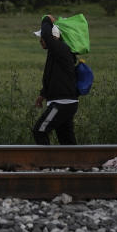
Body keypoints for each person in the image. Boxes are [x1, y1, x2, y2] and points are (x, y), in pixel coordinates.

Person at [32, 15, 78, 145]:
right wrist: (43, 94)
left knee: (39, 131)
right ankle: (72, 164)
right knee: (66, 139)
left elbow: (47, 34)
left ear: (54, 37)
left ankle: (47, 163)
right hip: (64, 102)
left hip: (61, 104)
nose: (40, 40)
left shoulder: (61, 49)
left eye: (42, 37)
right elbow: (51, 76)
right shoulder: (56, 53)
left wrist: (46, 19)